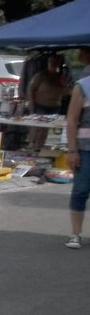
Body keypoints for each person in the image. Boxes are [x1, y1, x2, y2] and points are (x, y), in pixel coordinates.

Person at [65, 47, 90, 249]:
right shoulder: (82, 86)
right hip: (85, 149)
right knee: (81, 190)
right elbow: (72, 120)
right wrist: (72, 150)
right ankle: (76, 234)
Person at [27, 54, 68, 149]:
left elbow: (66, 90)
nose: (54, 64)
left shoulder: (61, 76)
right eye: (52, 62)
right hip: (40, 104)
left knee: (45, 128)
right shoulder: (41, 75)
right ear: (48, 63)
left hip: (55, 106)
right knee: (36, 126)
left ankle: (40, 146)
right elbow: (31, 89)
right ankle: (32, 144)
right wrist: (31, 102)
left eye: (56, 62)